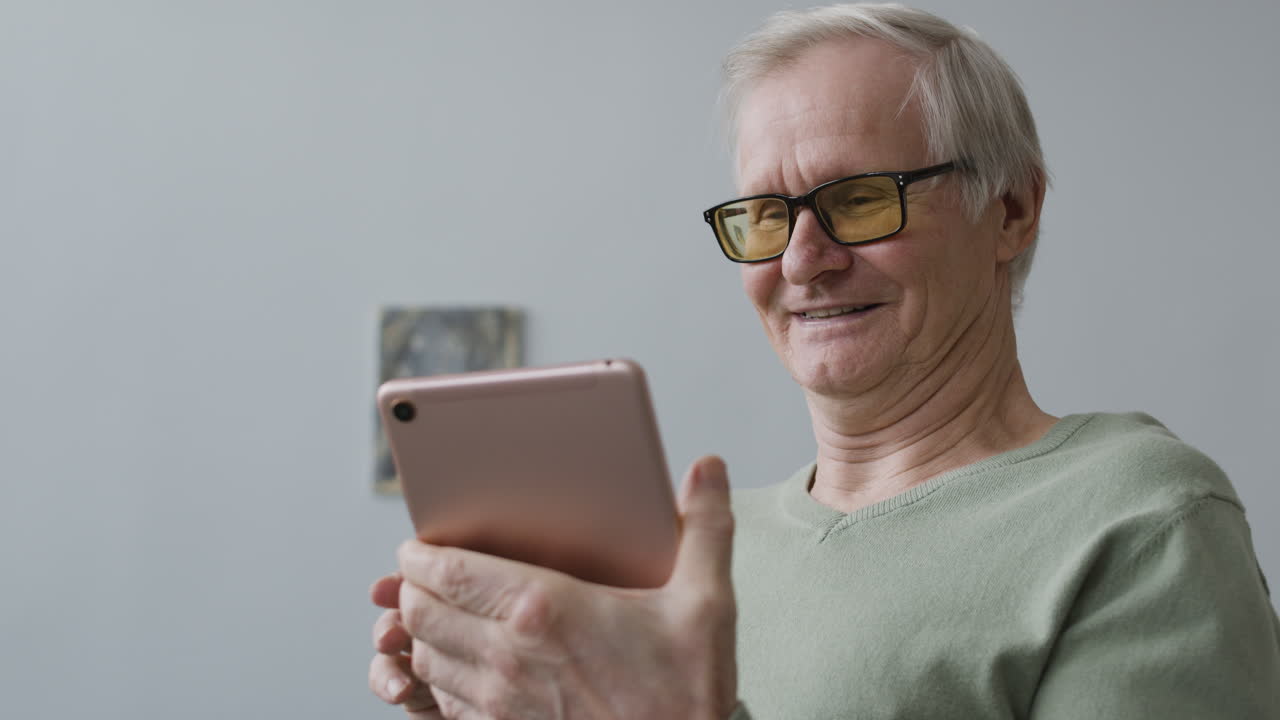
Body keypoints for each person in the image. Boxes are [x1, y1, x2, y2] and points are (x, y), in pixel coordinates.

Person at [367, 4, 1280, 718]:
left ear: (1010, 211)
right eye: (766, 215)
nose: (802, 259)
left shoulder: (1140, 519)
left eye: (858, 198)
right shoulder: (688, 562)